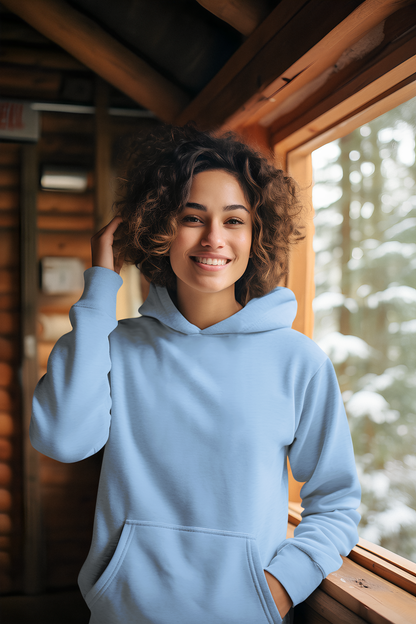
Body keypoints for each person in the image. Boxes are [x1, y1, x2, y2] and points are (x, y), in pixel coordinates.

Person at [30, 124, 361, 624]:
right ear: (158, 227)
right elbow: (63, 439)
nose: (213, 238)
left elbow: (336, 502)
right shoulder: (113, 346)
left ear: (257, 234)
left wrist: (277, 589)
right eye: (192, 217)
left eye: (234, 220)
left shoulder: (299, 361)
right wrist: (100, 290)